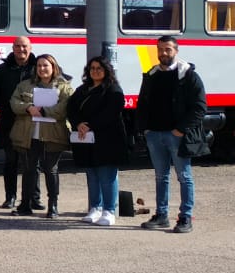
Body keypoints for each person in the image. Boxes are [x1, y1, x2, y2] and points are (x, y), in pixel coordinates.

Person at [133, 36, 208, 233]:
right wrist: (145, 129)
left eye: (168, 49)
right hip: (154, 134)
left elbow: (200, 108)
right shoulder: (151, 74)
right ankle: (162, 215)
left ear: (176, 50)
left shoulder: (189, 76)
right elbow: (142, 104)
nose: (163, 53)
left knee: (184, 176)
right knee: (160, 176)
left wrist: (181, 129)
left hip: (177, 135)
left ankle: (185, 217)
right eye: (160, 49)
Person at [9, 54, 72, 218]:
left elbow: (65, 107)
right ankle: (25, 205)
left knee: (51, 170)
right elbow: (14, 102)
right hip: (28, 135)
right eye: (39, 66)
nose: (42, 69)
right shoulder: (25, 85)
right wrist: (28, 107)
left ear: (53, 67)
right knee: (29, 170)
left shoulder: (64, 87)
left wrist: (44, 111)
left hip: (52, 135)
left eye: (46, 65)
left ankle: (53, 206)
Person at [67, 57, 127, 226]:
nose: (95, 71)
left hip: (108, 139)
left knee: (106, 175)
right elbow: (71, 108)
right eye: (92, 68)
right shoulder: (82, 89)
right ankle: (95, 207)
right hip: (86, 139)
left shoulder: (113, 89)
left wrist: (90, 125)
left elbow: (112, 112)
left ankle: (109, 211)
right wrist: (78, 123)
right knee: (91, 174)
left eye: (99, 68)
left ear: (107, 70)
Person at [0, 37, 38, 211]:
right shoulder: (2, 70)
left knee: (33, 162)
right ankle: (10, 197)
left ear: (30, 47)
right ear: (12, 48)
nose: (21, 49)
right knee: (11, 161)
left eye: (24, 46)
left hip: (33, 121)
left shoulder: (37, 67)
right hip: (9, 121)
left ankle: (34, 198)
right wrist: (9, 108)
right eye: (17, 46)